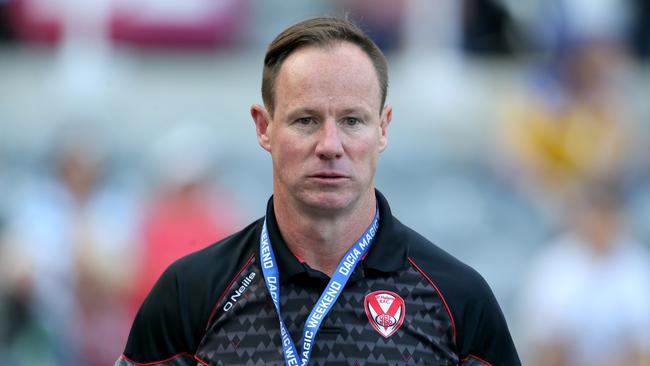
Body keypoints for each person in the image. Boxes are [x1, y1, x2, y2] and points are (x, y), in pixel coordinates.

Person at [116, 16, 520, 366]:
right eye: (306, 120)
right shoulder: (191, 293)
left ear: (383, 127)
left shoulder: (456, 298)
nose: (330, 145)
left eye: (351, 121)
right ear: (263, 126)